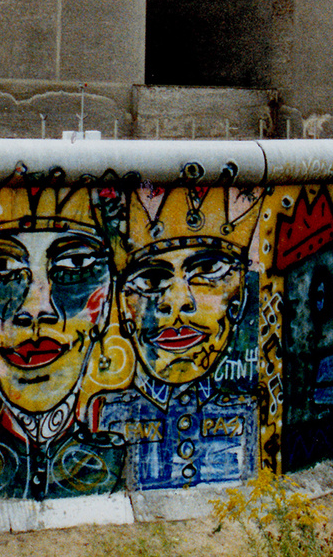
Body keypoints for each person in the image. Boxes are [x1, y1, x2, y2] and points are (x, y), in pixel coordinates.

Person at [0, 185, 126, 501]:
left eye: (74, 266)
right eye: (0, 269)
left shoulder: (119, 460)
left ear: (104, 305)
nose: (37, 309)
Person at [99, 185, 262, 490]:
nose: (178, 302)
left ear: (240, 299)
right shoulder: (110, 412)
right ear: (123, 307)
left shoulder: (243, 408)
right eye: (150, 278)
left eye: (208, 270)